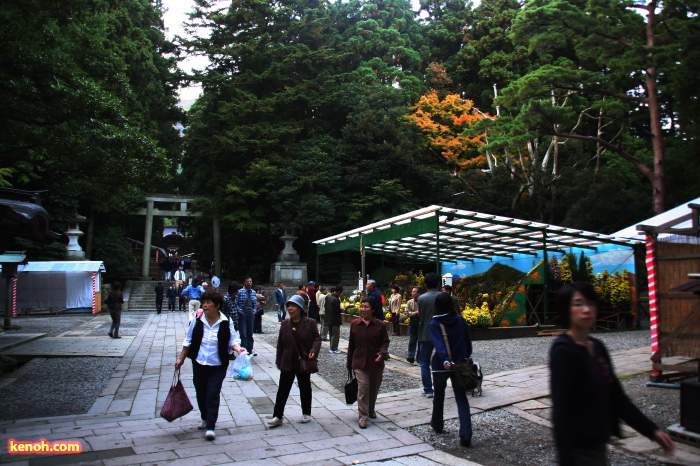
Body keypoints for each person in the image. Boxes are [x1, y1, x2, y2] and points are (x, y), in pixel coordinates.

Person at [550, 282, 675, 465]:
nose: (586, 310)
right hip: (578, 451)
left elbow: (617, 398)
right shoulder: (564, 351)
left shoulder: (598, 348)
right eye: (578, 304)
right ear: (566, 309)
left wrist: (652, 431)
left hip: (599, 446)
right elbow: (561, 411)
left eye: (590, 303)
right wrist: (566, 458)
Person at [175, 290, 245, 441]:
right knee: (201, 392)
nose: (205, 305)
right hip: (199, 362)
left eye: (208, 303)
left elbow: (233, 340)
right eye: (203, 302)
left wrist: (238, 349)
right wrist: (180, 359)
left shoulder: (226, 321)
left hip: (218, 364)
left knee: (213, 393)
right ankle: (205, 417)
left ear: (217, 305)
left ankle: (211, 426)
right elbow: (188, 340)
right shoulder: (198, 319)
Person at [268, 295, 321, 427]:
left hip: (303, 359)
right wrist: (279, 360)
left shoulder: (310, 323)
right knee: (283, 389)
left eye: (293, 306)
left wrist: (314, 350)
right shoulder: (285, 323)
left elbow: (317, 338)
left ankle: (306, 412)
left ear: (301, 308)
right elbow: (280, 343)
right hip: (288, 360)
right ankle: (277, 416)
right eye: (289, 306)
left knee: (304, 387)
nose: (290, 309)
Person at [429, 292, 474, 447]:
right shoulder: (460, 320)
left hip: (440, 366)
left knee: (439, 396)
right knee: (461, 398)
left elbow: (438, 344)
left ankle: (437, 424)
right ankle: (466, 432)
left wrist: (445, 359)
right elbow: (468, 342)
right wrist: (464, 356)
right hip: (460, 364)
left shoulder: (434, 323)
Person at [347, 297, 390, 428]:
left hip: (375, 362)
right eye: (361, 306)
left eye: (366, 307)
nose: (362, 309)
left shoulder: (380, 325)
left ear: (373, 309)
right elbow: (351, 345)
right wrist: (349, 364)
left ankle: (371, 409)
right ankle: (363, 416)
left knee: (373, 388)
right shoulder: (355, 324)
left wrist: (382, 352)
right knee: (363, 387)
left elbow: (385, 341)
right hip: (359, 362)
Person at [417, 272, 441, 397]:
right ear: (438, 284)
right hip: (441, 332)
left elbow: (421, 315)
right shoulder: (443, 296)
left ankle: (428, 389)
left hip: (426, 332)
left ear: (425, 285)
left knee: (424, 362)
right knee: (443, 359)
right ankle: (441, 385)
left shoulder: (421, 298)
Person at [234, 277, 258, 355]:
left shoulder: (253, 292)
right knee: (243, 333)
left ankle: (250, 349)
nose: (249, 283)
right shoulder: (240, 292)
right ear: (244, 283)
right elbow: (236, 302)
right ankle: (244, 349)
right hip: (243, 314)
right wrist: (240, 311)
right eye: (248, 282)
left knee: (250, 332)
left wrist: (254, 311)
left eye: (250, 281)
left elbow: (255, 303)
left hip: (251, 313)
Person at [406, 286, 421, 363]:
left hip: (420, 322)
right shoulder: (409, 302)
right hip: (413, 321)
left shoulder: (422, 301)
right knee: (412, 339)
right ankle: (411, 356)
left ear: (418, 293)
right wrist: (415, 313)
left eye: (414, 292)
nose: (413, 293)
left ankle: (419, 357)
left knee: (420, 340)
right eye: (412, 292)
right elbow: (407, 313)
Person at [325, 286, 343, 353]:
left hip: (329, 318)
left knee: (331, 333)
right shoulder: (335, 299)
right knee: (335, 335)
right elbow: (337, 310)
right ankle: (334, 348)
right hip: (335, 319)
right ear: (338, 292)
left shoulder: (328, 297)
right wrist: (342, 310)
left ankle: (331, 347)